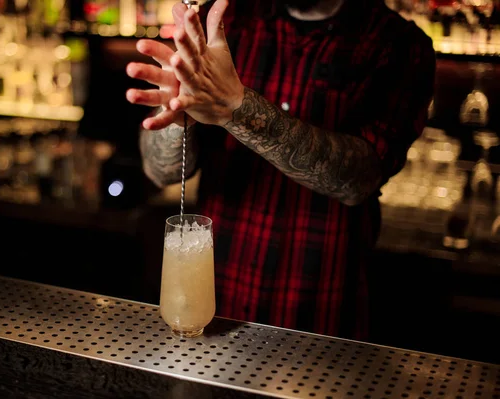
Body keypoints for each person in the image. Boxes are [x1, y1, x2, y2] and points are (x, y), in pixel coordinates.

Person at [125, 0, 435, 340]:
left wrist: (237, 109)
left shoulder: (399, 44)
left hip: (319, 317)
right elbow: (159, 171)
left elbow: (359, 178)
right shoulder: (227, 21)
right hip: (213, 307)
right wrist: (176, 113)